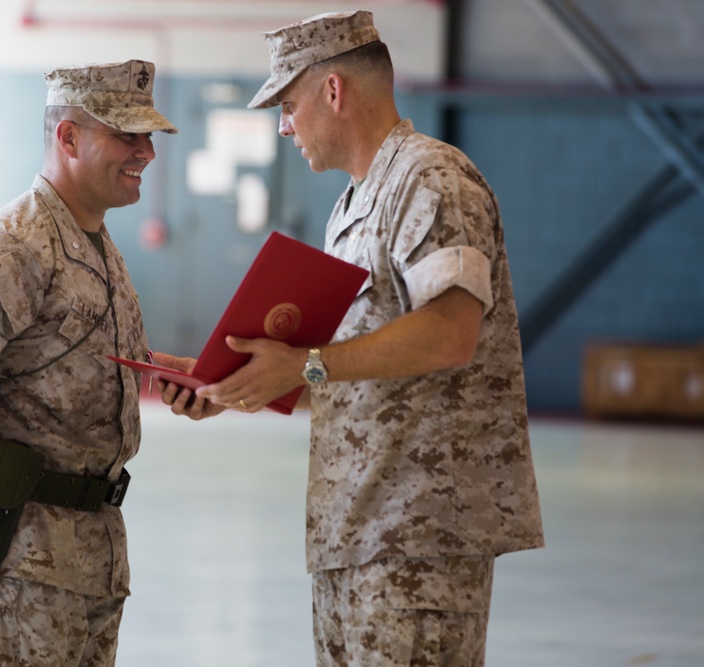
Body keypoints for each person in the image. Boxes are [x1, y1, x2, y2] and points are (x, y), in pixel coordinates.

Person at [155, 11, 544, 666]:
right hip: (357, 536)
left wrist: (304, 364)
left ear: (333, 91)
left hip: (419, 539)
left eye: (288, 103)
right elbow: (350, 374)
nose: (283, 124)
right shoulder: (354, 206)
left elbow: (451, 334)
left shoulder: (431, 180)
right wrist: (234, 382)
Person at [0, 59, 177, 666]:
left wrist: (165, 371)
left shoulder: (95, 245)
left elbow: (65, 354)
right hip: (13, 564)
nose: (146, 153)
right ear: (68, 137)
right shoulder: (11, 247)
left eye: (148, 136)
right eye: (125, 135)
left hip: (89, 559)